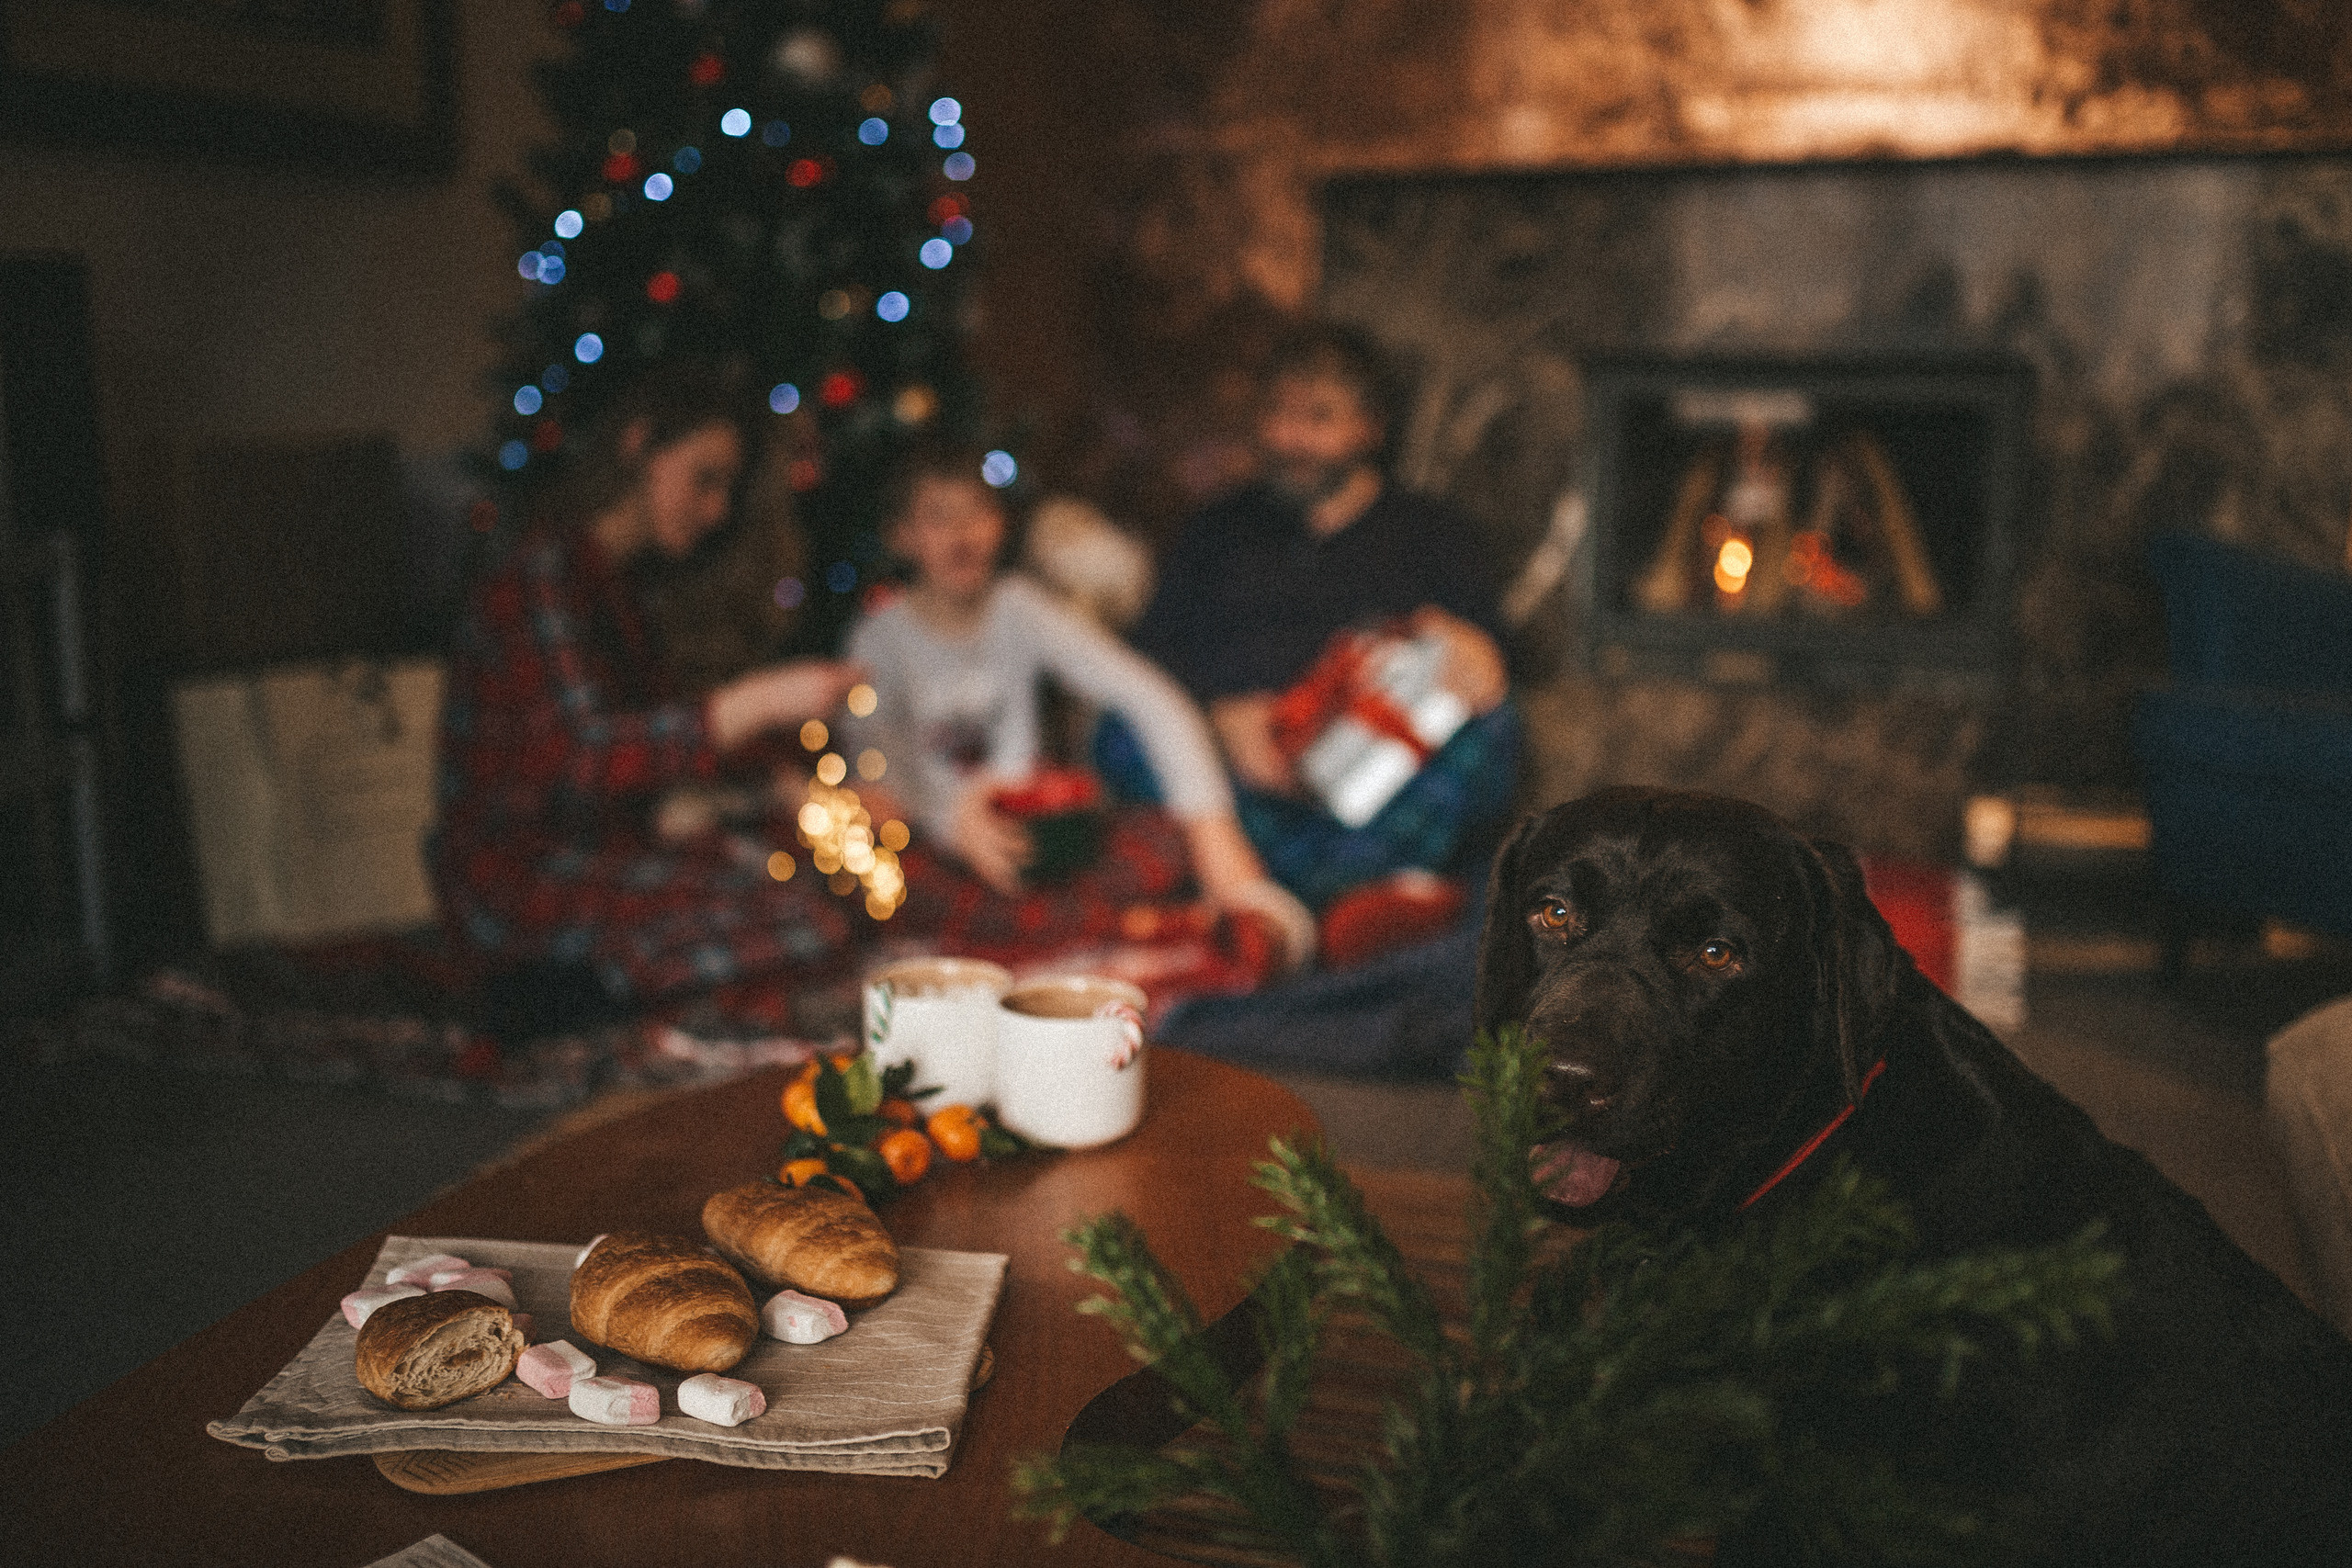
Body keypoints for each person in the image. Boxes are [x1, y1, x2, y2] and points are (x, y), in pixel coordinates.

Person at [429, 363, 867, 1017]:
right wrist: (759, 703)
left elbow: (655, 745)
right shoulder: (542, 574)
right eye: (703, 478)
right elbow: (584, 755)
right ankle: (568, 991)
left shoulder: (621, 587)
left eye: (726, 488)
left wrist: (780, 786)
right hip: (517, 872)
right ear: (638, 447)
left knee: (794, 880)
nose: (716, 511)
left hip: (605, 847)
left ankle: (618, 985)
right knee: (799, 919)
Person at [841, 446, 1312, 958]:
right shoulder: (877, 639)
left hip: (1036, 838)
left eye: (978, 513)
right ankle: (1082, 934)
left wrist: (1211, 826)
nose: (963, 535)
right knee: (867, 863)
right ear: (902, 536)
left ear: (1000, 523)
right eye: (939, 518)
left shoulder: (1021, 608)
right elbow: (878, 769)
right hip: (935, 844)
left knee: (1154, 838)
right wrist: (949, 819)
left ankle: (1075, 933)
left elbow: (1146, 694)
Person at [1127, 322, 1521, 913]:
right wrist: (1223, 714)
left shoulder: (1433, 533)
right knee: (1123, 730)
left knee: (1498, 732)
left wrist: (1474, 656)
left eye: (1319, 418)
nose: (1290, 439)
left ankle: (1300, 903)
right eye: (1278, 415)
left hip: (1378, 773)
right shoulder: (1214, 530)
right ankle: (1368, 896)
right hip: (1241, 777)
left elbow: (1490, 661)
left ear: (1370, 428)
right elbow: (1149, 657)